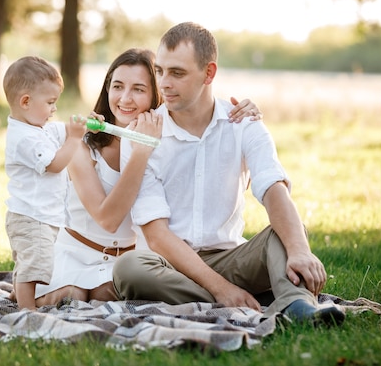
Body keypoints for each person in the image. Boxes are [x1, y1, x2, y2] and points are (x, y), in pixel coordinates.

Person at [112, 22, 345, 327]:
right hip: (170, 266)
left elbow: (274, 188)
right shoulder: (140, 135)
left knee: (287, 230)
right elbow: (156, 235)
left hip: (231, 258)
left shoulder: (244, 123)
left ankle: (297, 306)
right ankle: (246, 299)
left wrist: (300, 251)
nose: (164, 83)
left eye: (177, 73)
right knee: (129, 268)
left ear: (209, 73)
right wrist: (222, 289)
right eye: (160, 71)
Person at [33, 48, 263, 307]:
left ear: (157, 95)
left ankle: (229, 296)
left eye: (139, 89)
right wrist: (140, 153)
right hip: (77, 253)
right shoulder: (81, 145)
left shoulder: (171, 138)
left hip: (127, 262)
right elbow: (108, 219)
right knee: (70, 299)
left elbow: (228, 177)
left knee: (105, 296)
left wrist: (246, 117)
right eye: (118, 86)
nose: (125, 99)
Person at [2, 55, 87, 310]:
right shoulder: (24, 138)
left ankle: (17, 297)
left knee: (30, 260)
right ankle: (26, 312)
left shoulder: (37, 127)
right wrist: (74, 140)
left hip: (38, 216)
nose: (54, 109)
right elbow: (55, 164)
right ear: (25, 101)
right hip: (32, 217)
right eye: (50, 102)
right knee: (34, 266)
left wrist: (84, 127)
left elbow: (63, 129)